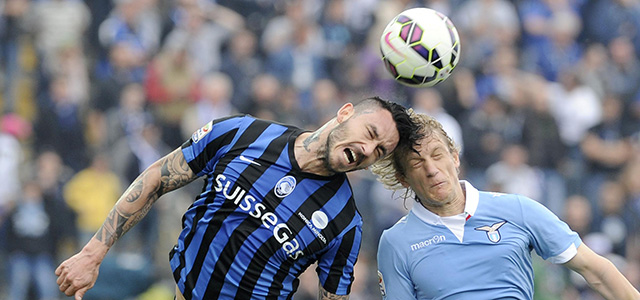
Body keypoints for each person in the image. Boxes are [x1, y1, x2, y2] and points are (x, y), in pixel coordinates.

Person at [55, 96, 420, 300]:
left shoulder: (344, 221)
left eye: (380, 150)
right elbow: (157, 178)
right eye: (370, 132)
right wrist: (92, 254)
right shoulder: (242, 133)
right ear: (345, 113)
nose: (368, 149)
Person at [369, 112, 640, 300]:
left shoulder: (518, 209)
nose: (432, 169)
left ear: (455, 158)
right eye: (417, 164)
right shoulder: (396, 243)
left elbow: (598, 271)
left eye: (438, 155)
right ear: (403, 179)